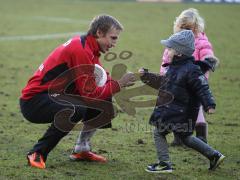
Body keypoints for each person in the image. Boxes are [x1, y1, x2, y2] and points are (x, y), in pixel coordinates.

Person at [20, 14, 136, 169]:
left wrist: (123, 80)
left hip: (54, 95)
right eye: (113, 38)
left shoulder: (88, 48)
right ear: (100, 32)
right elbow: (90, 93)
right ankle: (37, 153)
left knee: (104, 102)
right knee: (75, 110)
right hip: (34, 101)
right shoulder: (80, 49)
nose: (114, 43)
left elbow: (102, 79)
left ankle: (82, 149)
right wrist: (119, 84)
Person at [139, 30, 225, 173]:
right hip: (178, 112)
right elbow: (162, 83)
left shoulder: (191, 70)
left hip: (177, 112)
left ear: (179, 53)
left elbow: (202, 87)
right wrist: (146, 76)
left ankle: (164, 163)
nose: (167, 52)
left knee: (159, 133)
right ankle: (214, 155)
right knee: (185, 137)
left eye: (170, 49)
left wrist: (209, 104)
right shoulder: (174, 68)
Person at [160, 8, 219, 145]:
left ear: (197, 28)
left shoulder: (201, 41)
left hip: (195, 82)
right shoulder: (175, 41)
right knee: (177, 110)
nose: (186, 31)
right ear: (177, 26)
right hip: (178, 83)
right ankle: (179, 138)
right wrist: (165, 74)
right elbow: (166, 59)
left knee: (197, 110)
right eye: (183, 28)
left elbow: (206, 53)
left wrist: (209, 60)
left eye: (189, 29)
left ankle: (201, 137)